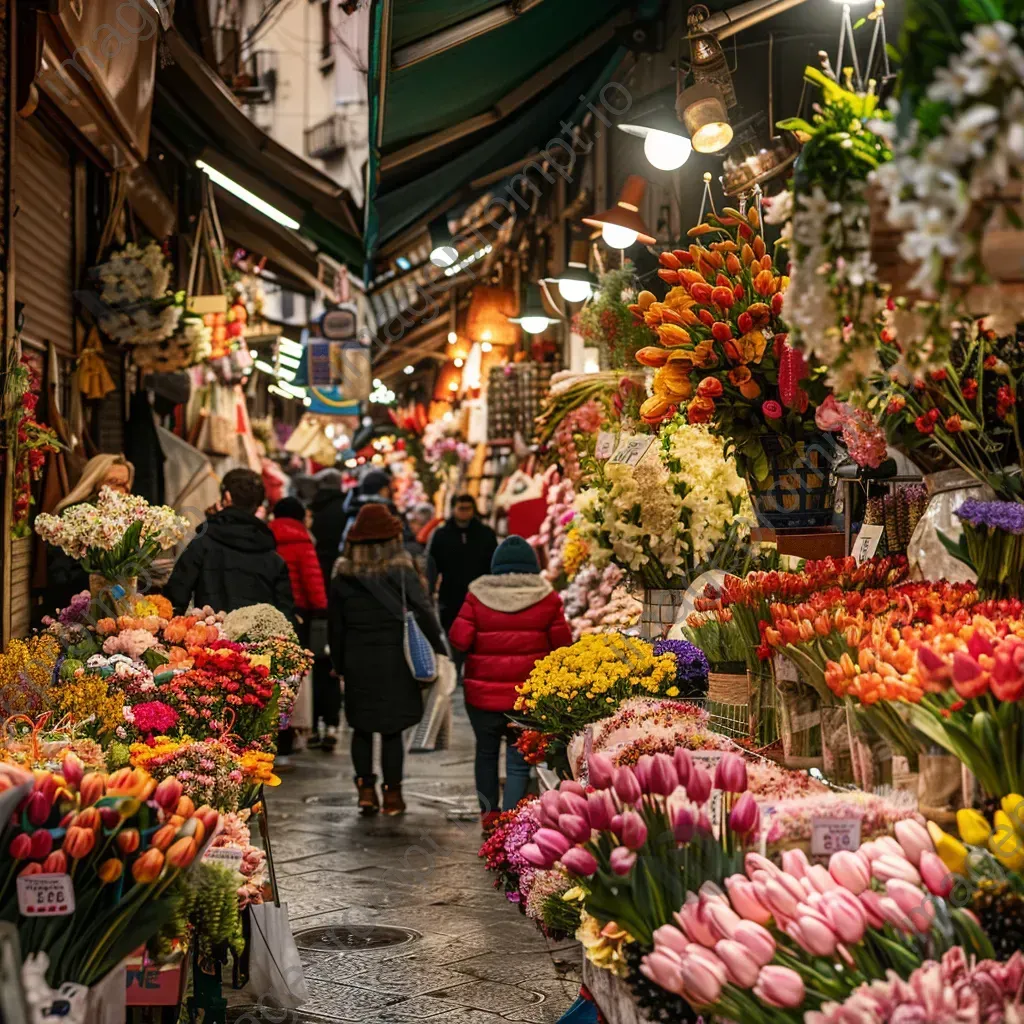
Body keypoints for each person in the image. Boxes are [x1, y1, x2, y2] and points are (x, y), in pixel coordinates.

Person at [328, 503, 445, 816]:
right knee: (392, 731)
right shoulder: (403, 573)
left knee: (361, 728)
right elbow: (425, 613)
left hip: (357, 661)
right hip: (397, 661)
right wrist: (440, 649)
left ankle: (365, 790)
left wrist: (338, 664)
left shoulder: (342, 576)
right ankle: (392, 796)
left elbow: (335, 627)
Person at [449, 536, 572, 824]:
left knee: (486, 754)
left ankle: (490, 817)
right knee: (519, 761)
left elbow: (459, 638)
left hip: (482, 698)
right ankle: (512, 820)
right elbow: (563, 645)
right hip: (527, 697)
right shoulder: (547, 597)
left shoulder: (477, 596)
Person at [164, 468, 295, 621]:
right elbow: (285, 618)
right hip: (257, 643)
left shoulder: (203, 543)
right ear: (258, 506)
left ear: (226, 497)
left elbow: (175, 599)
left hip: (209, 639)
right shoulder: (274, 559)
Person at [268, 496, 327, 758]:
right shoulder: (303, 541)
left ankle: (271, 731)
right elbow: (312, 580)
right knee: (293, 677)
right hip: (298, 616)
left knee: (270, 674)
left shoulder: (265, 536)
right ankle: (288, 733)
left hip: (268, 613)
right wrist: (321, 609)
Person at [44, 454, 135, 614]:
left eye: (124, 484)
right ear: (95, 482)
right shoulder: (74, 514)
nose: (119, 490)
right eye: (112, 482)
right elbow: (60, 574)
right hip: (76, 607)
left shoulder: (129, 518)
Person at [426, 494, 498, 635]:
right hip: (450, 597)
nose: (465, 512)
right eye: (461, 508)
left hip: (480, 595)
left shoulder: (486, 534)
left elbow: (493, 563)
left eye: (468, 508)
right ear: (453, 509)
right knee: (453, 634)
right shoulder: (441, 535)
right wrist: (429, 589)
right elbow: (432, 564)